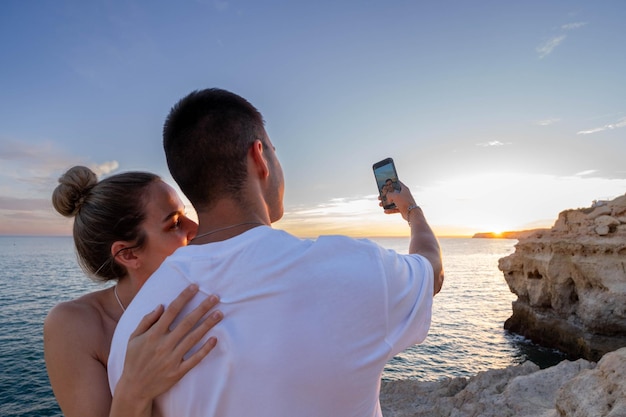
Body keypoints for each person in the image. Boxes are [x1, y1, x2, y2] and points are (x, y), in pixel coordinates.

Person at [108, 88, 444, 416]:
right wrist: (410, 209)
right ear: (259, 157)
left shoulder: (135, 334)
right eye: (274, 149)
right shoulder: (357, 268)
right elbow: (432, 271)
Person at [44, 166, 224, 417]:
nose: (195, 227)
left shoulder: (208, 299)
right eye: (174, 224)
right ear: (128, 254)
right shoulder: (75, 324)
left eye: (186, 215)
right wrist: (136, 388)